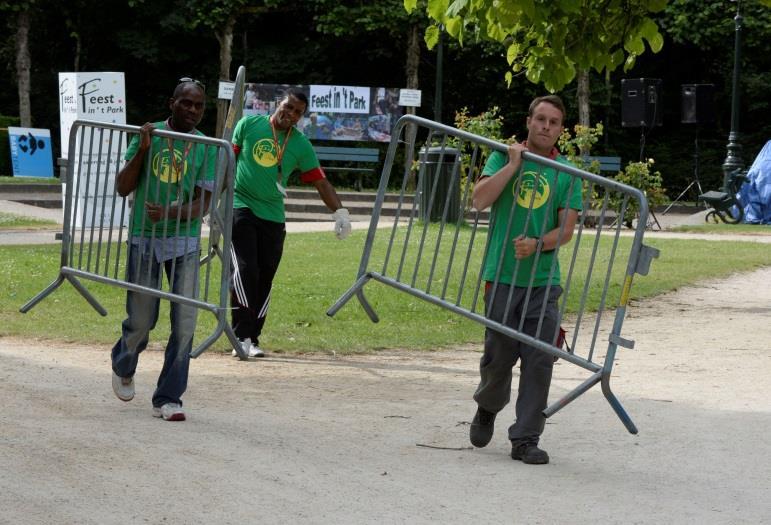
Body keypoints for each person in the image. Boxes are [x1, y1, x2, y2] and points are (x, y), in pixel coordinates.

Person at [469, 95, 582, 464]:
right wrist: (513, 165)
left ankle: (525, 438)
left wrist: (537, 244)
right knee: (498, 358)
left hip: (544, 281)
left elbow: (566, 229)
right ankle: (488, 407)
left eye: (554, 122)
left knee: (540, 359)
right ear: (529, 121)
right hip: (501, 276)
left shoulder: (567, 172)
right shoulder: (502, 156)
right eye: (541, 119)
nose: (546, 127)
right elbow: (479, 200)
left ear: (561, 130)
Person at [111, 78, 215, 421]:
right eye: (186, 103)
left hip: (183, 242)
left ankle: (169, 397)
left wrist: (171, 212)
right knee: (142, 320)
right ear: (172, 103)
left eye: (199, 105)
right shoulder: (148, 134)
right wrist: (142, 150)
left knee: (185, 324)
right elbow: (122, 187)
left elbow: (203, 205)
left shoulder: (206, 146)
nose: (193, 111)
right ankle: (124, 363)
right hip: (144, 237)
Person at [229, 90, 351, 358]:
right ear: (278, 104)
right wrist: (214, 202)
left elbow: (320, 181)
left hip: (273, 216)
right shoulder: (248, 125)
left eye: (298, 112)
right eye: (289, 107)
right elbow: (226, 162)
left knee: (265, 276)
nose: (291, 115)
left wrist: (340, 212)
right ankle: (240, 336)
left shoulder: (300, 144)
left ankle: (253, 338)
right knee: (245, 270)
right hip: (241, 206)